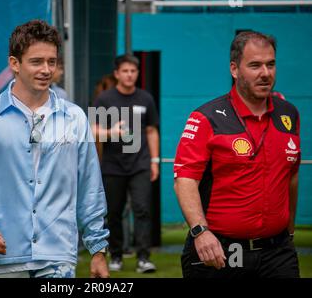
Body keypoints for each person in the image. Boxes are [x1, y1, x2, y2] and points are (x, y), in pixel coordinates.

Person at [0, 20, 109, 278]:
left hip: (58, 256)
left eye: (52, 61)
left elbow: (90, 186)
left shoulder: (75, 117)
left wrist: (98, 248)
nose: (46, 69)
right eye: (36, 62)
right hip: (4, 253)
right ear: (14, 63)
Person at [174, 31, 301, 278]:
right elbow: (185, 179)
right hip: (220, 249)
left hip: (277, 252)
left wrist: (290, 232)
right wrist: (200, 232)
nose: (265, 73)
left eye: (271, 64)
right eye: (255, 65)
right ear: (234, 69)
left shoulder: (289, 115)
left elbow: (291, 177)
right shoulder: (206, 117)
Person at [93, 54, 160, 273]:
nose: (129, 75)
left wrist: (154, 161)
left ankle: (143, 258)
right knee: (113, 212)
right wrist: (111, 132)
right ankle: (116, 256)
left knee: (142, 209)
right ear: (117, 74)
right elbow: (92, 129)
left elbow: (151, 130)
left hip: (140, 164)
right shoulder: (105, 99)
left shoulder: (146, 98)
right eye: (125, 71)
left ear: (137, 74)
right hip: (113, 165)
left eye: (133, 71)